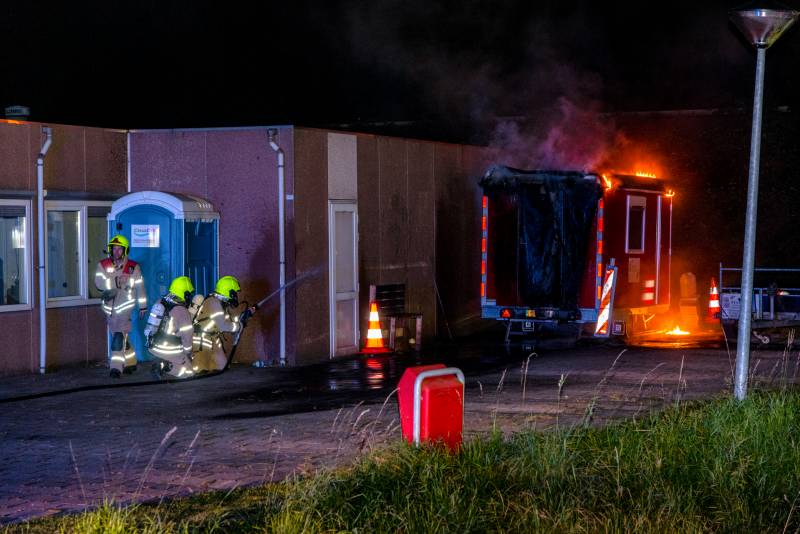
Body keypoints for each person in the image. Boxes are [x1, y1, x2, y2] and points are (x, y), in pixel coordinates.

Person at [94, 234, 147, 378]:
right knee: (121, 336)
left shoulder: (133, 267)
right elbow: (99, 283)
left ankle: (116, 368)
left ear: (125, 251)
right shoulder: (103, 265)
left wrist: (143, 306)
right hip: (109, 309)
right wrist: (116, 281)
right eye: (114, 249)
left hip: (125, 309)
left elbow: (140, 287)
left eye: (119, 249)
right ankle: (131, 361)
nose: (116, 252)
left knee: (118, 337)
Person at [192, 275, 253, 372]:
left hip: (213, 340)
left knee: (222, 368)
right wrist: (240, 326)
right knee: (200, 371)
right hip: (202, 340)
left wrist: (243, 318)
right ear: (230, 292)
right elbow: (224, 326)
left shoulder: (220, 303)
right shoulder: (214, 303)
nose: (236, 296)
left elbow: (227, 322)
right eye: (235, 293)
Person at [145, 276, 196, 379]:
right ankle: (165, 366)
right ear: (185, 294)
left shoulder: (160, 301)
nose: (189, 296)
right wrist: (188, 352)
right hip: (170, 350)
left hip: (153, 346)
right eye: (189, 294)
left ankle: (161, 362)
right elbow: (187, 336)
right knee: (189, 372)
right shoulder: (182, 311)